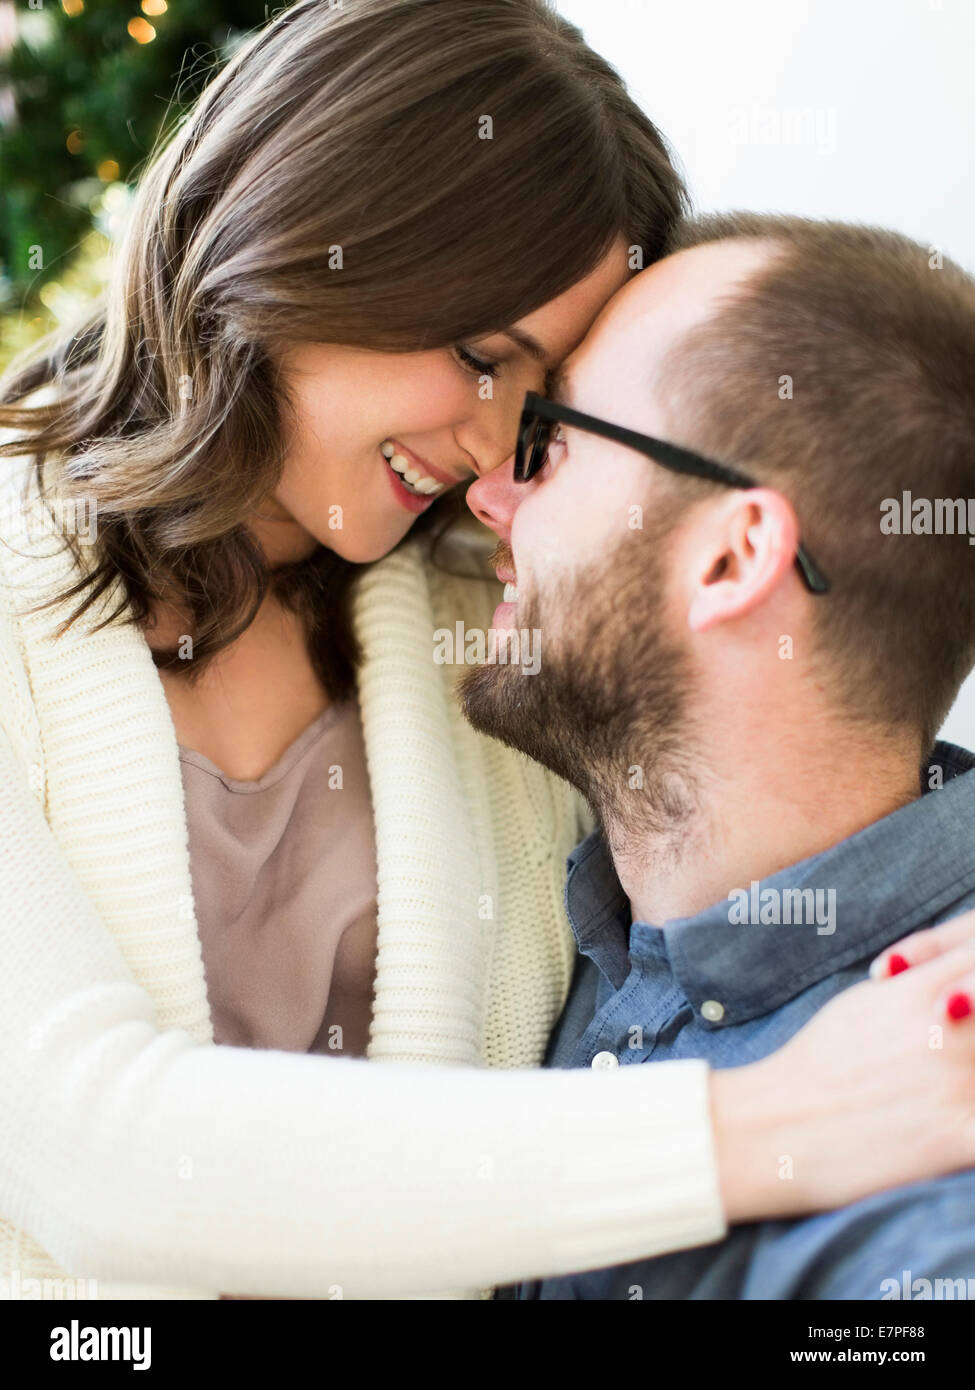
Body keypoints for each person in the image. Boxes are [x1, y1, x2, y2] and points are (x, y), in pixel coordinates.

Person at [1, 0, 974, 1304]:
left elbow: (784, 763)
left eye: (543, 409)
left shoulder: (501, 622)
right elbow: (89, 1157)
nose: (486, 451)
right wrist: (769, 1124)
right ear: (298, 230)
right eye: (473, 355)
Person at [458, 211, 975, 1300]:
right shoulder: (563, 908)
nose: (486, 497)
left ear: (734, 555)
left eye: (545, 447)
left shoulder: (929, 1182)